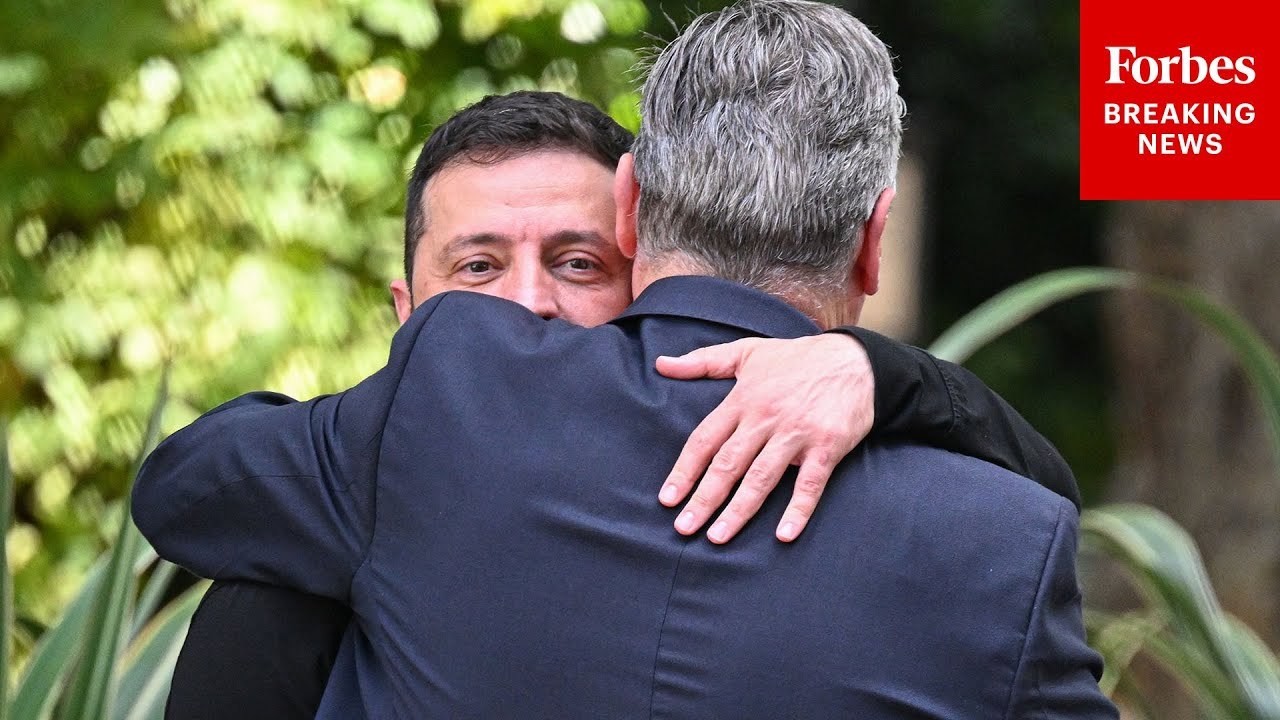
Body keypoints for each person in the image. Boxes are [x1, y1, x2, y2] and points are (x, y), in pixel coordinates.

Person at [136, 3, 1115, 714]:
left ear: (630, 211)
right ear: (873, 240)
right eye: (477, 266)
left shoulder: (435, 411)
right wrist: (888, 372)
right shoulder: (1001, 540)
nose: (525, 309)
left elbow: (181, 489)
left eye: (572, 262)